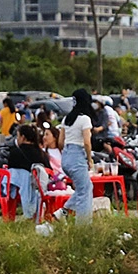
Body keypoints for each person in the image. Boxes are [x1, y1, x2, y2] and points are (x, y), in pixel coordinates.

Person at [60, 89, 98, 222]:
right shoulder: (85, 119)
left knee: (86, 187)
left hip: (66, 157)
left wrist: (66, 155)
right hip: (77, 155)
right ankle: (83, 225)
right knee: (84, 192)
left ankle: (62, 211)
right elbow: (87, 142)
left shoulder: (67, 119)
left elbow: (60, 141)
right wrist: (89, 159)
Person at [7, 122, 52, 221]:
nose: (17, 139)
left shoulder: (15, 153)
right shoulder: (42, 154)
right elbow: (49, 171)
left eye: (18, 136)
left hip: (20, 191)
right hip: (41, 190)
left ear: (23, 137)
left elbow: (11, 170)